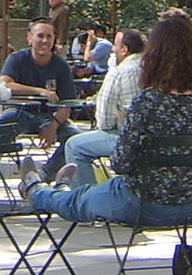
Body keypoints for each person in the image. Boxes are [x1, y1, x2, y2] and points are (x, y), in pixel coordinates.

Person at [19, 14, 192, 227]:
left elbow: (120, 162)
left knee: (78, 201)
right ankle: (61, 188)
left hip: (141, 204)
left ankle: (35, 190)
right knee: (85, 196)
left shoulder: (148, 101)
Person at [0, 17, 75, 202]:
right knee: (2, 126)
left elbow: (67, 104)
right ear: (30, 38)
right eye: (40, 36)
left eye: (49, 36)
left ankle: (40, 179)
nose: (45, 41)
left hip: (48, 116)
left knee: (73, 137)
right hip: (19, 112)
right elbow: (5, 83)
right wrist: (39, 91)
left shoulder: (61, 66)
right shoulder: (17, 58)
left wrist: (53, 127)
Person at [62, 29, 146, 186]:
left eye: (115, 46)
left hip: (128, 138)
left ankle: (85, 200)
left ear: (124, 49)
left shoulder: (118, 72)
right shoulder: (156, 68)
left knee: (74, 145)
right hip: (157, 139)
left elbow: (104, 120)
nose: (112, 50)